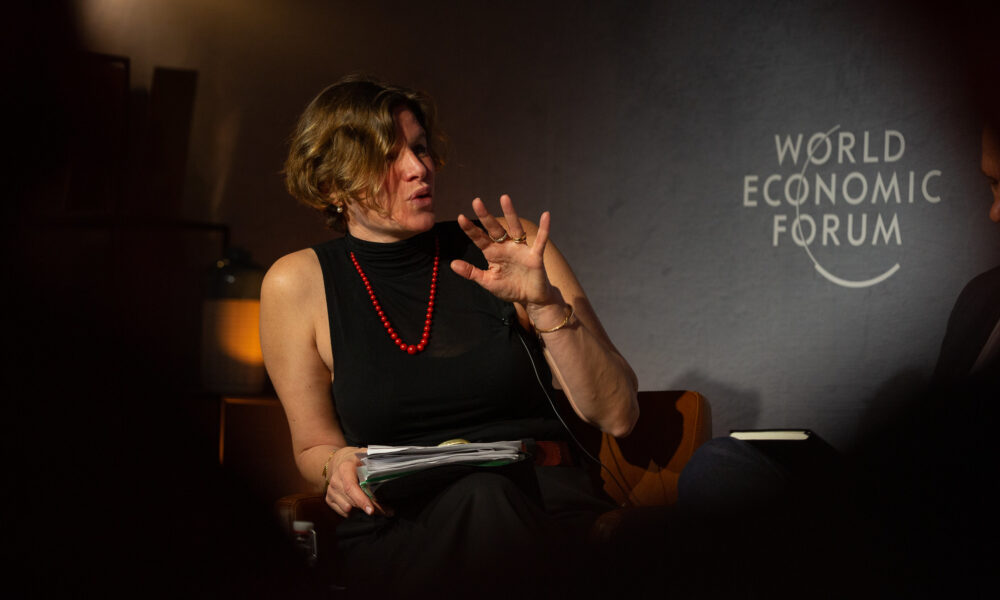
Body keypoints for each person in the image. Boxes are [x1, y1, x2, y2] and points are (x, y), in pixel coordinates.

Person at [260, 75, 639, 595]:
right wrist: (336, 463)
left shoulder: (509, 246)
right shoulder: (296, 284)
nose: (419, 168)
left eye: (419, 148)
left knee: (488, 499)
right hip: (402, 525)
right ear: (332, 186)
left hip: (539, 507)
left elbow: (618, 416)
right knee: (478, 504)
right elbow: (314, 446)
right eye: (387, 157)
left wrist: (544, 304)